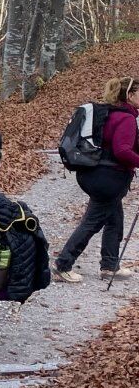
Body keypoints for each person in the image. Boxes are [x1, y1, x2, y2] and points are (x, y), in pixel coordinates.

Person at [53, 76, 139, 282]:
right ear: (129, 95)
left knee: (115, 219)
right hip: (109, 179)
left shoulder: (110, 113)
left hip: (94, 173)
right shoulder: (126, 118)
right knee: (92, 222)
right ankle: (62, 265)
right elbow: (122, 150)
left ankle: (109, 266)